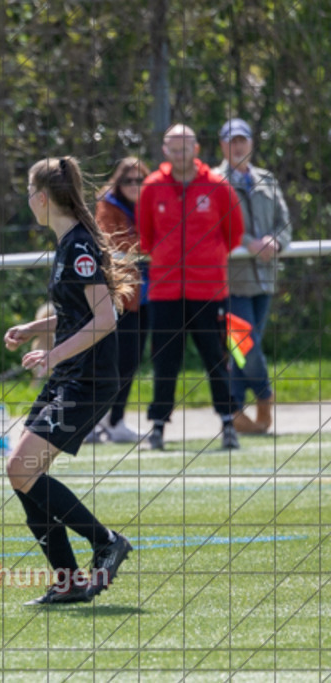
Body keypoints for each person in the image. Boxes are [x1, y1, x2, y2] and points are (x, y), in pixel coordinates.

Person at [4, 156, 135, 605]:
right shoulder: (68, 245)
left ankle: (106, 542)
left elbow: (104, 319)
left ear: (41, 198)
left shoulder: (78, 246)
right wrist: (34, 329)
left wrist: (53, 352)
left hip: (88, 378)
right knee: (22, 472)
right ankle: (68, 580)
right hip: (70, 375)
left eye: (28, 193)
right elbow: (79, 312)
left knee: (21, 468)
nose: (28, 201)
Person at [139, 124, 245, 450]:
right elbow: (146, 237)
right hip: (165, 291)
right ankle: (158, 425)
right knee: (165, 360)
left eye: (185, 146)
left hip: (209, 290)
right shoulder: (152, 187)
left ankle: (228, 422)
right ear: (164, 150)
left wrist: (206, 260)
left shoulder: (217, 186)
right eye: (173, 146)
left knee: (216, 357)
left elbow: (234, 233)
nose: (180, 151)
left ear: (196, 149)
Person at [215, 118, 291, 434]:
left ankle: (233, 413)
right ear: (222, 146)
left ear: (251, 143)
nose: (238, 146)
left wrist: (275, 241)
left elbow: (284, 223)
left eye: (242, 140)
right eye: (231, 141)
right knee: (245, 345)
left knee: (242, 348)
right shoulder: (214, 182)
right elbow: (214, 227)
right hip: (232, 280)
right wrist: (249, 243)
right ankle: (263, 396)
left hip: (264, 279)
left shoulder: (267, 179)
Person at [88, 157, 152, 443]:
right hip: (118, 298)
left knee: (131, 361)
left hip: (147, 297)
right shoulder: (108, 207)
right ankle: (90, 422)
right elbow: (121, 245)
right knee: (106, 363)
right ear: (118, 182)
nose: (135, 187)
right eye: (128, 181)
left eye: (140, 180)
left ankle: (116, 421)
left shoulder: (151, 204)